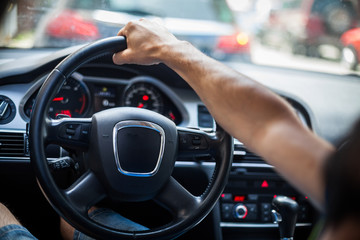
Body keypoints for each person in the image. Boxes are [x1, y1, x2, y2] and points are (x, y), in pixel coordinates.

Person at [0, 19, 357, 239]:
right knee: (81, 219)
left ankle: (78, 215)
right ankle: (83, 218)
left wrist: (171, 49)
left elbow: (268, 124)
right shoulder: (348, 190)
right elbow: (267, 125)